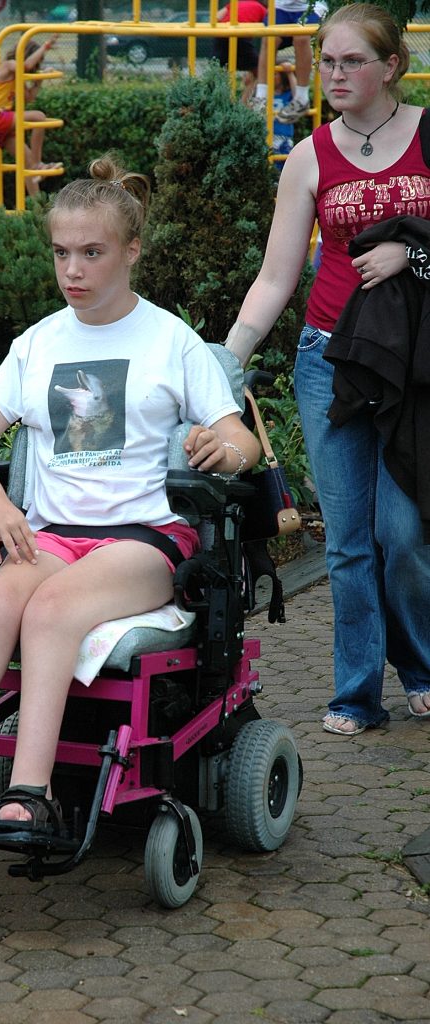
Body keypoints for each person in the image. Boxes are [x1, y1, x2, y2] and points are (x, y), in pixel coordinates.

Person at [0, 155, 261, 834]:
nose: (72, 270)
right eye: (61, 253)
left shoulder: (171, 341)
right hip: (53, 534)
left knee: (49, 611)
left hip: (144, 538)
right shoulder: (39, 342)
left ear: (131, 252)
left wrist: (223, 450)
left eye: (92, 253)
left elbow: (242, 441)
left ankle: (30, 793)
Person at [223, 3, 430, 736]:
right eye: (327, 61)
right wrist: (230, 355)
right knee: (346, 540)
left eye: (351, 62)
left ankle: (422, 664)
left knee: (403, 534)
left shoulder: (429, 136)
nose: (334, 75)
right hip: (328, 359)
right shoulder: (311, 154)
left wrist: (414, 254)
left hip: (414, 366)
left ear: (391, 66)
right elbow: (277, 276)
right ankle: (354, 693)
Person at [0, 35, 62, 198]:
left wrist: (39, 80)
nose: (36, 65)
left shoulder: (18, 76)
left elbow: (28, 97)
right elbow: (27, 64)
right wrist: (46, 45)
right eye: (38, 59)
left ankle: (37, 209)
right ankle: (38, 165)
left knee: (26, 162)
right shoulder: (8, 66)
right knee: (39, 117)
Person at [249, 0, 327, 124]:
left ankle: (301, 98)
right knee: (269, 39)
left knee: (301, 37)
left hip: (310, 6)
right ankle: (261, 96)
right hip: (281, 6)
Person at [212, 0, 267, 99]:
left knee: (219, 71)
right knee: (261, 71)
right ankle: (244, 103)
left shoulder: (235, 3)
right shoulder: (262, 9)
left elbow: (216, 16)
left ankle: (219, 101)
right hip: (240, 36)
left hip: (222, 34)